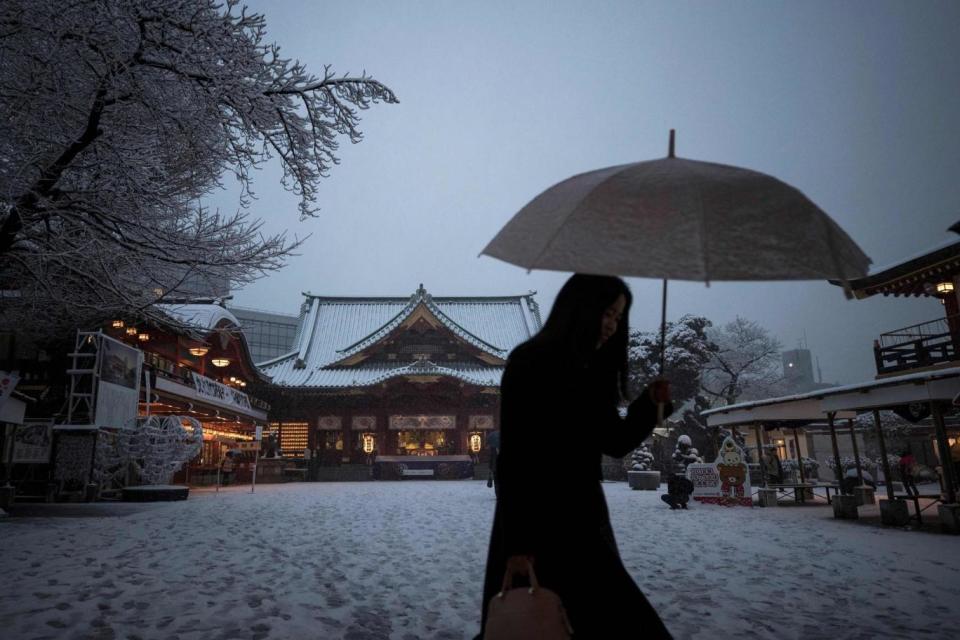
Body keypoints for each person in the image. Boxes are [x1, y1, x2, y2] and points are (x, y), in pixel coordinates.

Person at [476, 274, 674, 639]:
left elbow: (614, 441)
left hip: (583, 516)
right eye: (608, 313)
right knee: (537, 622)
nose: (613, 326)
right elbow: (515, 459)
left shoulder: (593, 371)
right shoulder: (530, 362)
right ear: (582, 308)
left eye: (619, 317)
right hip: (535, 520)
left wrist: (650, 405)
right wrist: (518, 545)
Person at [486, 430, 501, 495]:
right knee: (496, 481)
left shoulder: (493, 449)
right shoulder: (493, 449)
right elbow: (491, 458)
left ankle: (497, 493)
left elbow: (491, 459)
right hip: (495, 467)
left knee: (496, 482)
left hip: (495, 467)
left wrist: (490, 467)